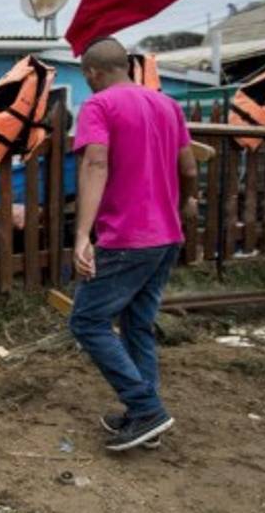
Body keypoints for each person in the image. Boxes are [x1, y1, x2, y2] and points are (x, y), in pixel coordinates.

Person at [68, 37, 198, 452]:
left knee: (87, 321)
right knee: (137, 324)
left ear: (92, 72)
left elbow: (96, 162)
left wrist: (82, 234)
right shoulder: (167, 105)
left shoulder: (99, 105)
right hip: (166, 235)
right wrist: (187, 201)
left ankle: (145, 409)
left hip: (128, 236)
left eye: (86, 75)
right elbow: (189, 166)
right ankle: (148, 420)